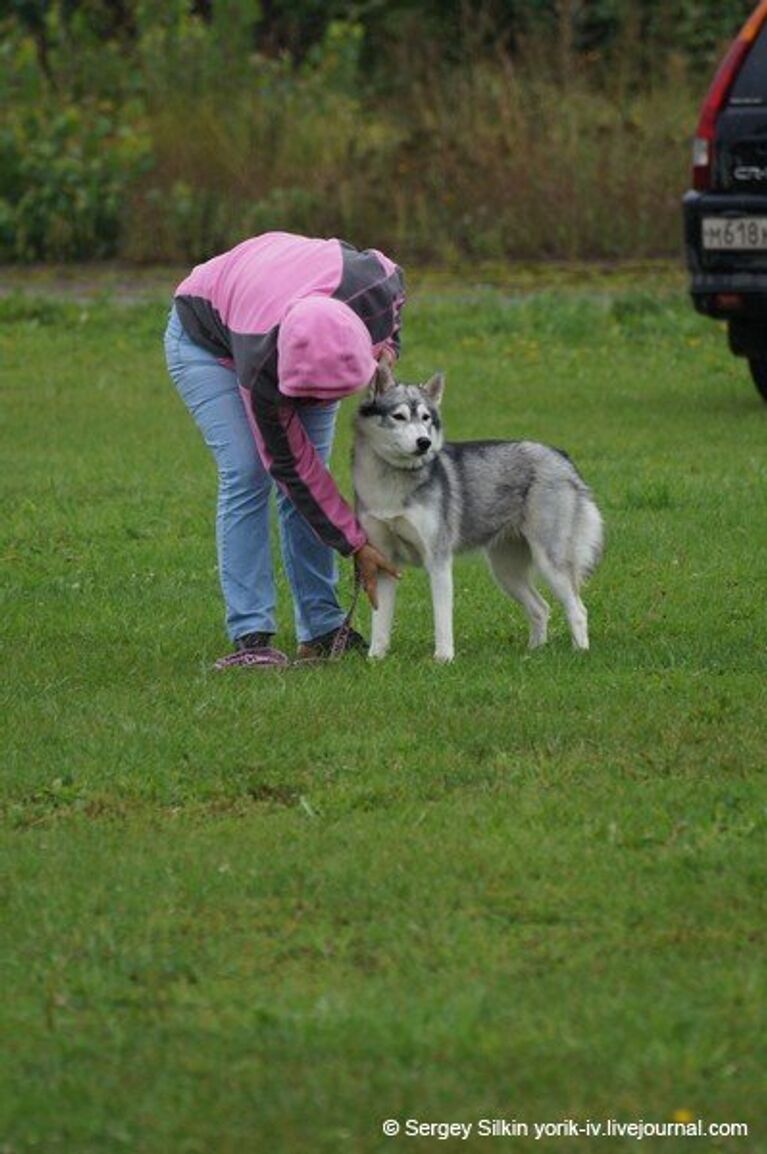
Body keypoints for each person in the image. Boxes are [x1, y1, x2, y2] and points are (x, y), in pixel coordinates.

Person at [164, 231, 404, 666]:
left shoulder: (374, 286)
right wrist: (354, 542)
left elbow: (396, 285)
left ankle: (323, 627)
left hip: (284, 314)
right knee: (248, 472)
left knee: (312, 484)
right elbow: (293, 468)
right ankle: (251, 636)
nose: (313, 406)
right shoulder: (262, 367)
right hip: (207, 339)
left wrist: (388, 349)